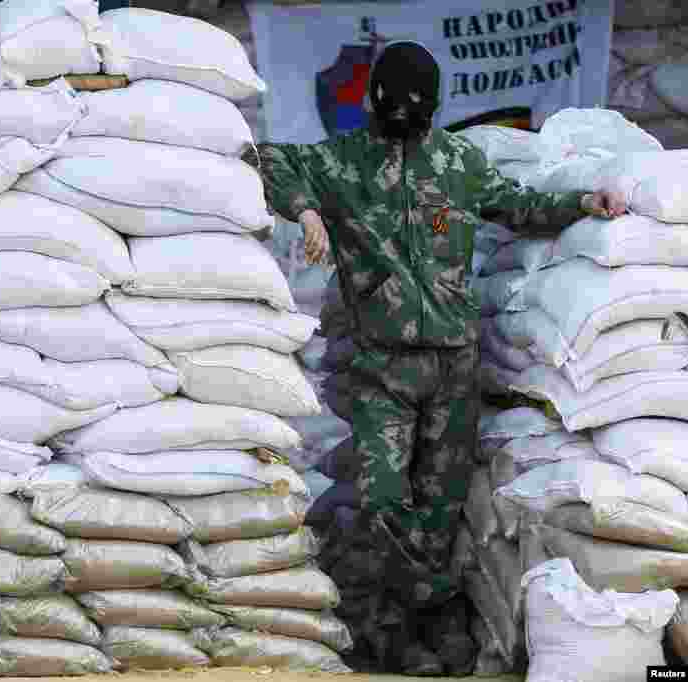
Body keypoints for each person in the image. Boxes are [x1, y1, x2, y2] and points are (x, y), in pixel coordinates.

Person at [252, 41, 625, 676]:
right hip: (382, 370)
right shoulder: (342, 162)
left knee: (440, 507)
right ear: (374, 102)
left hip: (453, 368)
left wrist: (581, 204)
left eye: (417, 113)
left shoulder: (456, 163)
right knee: (383, 500)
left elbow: (518, 205)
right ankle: (391, 634)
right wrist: (308, 212)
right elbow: (264, 160)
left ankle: (428, 625)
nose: (406, 122)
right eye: (396, 110)